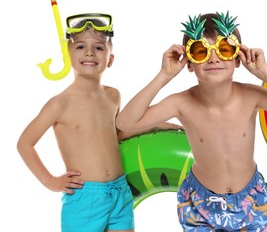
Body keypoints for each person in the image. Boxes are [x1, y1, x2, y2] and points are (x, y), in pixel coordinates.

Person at [115, 11, 267, 231]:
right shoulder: (181, 103)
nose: (213, 58)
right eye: (201, 51)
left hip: (251, 200)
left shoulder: (250, 96)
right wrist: (164, 75)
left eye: (224, 49)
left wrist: (264, 72)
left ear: (238, 58)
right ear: (189, 63)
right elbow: (126, 123)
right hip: (201, 203)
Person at [17, 13, 178, 232]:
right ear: (68, 54)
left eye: (99, 47)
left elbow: (115, 135)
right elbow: (25, 143)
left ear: (111, 59)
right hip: (85, 198)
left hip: (120, 191)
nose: (90, 52)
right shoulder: (59, 104)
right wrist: (50, 181)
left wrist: (157, 125)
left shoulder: (113, 96)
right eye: (80, 46)